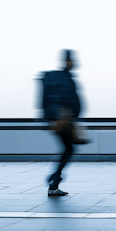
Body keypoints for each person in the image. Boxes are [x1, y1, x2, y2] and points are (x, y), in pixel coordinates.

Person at [41, 49, 87, 197]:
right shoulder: (65, 79)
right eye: (72, 60)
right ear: (67, 61)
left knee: (68, 149)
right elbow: (69, 100)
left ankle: (55, 179)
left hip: (59, 120)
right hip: (64, 121)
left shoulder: (60, 78)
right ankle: (54, 181)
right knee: (69, 149)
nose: (74, 63)